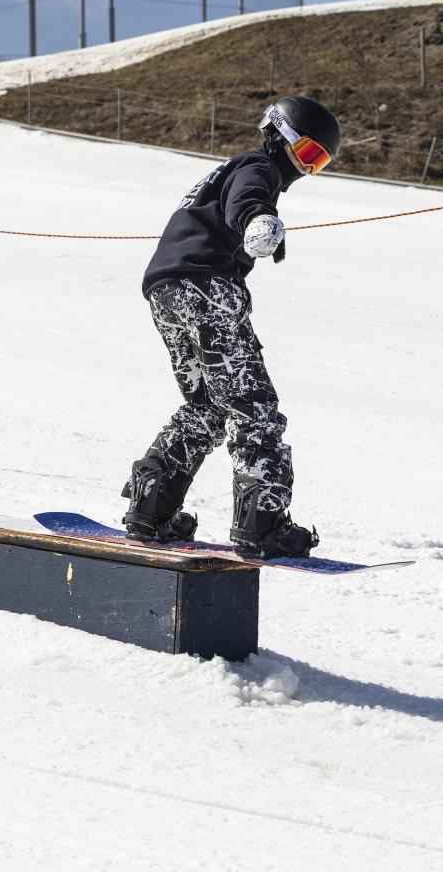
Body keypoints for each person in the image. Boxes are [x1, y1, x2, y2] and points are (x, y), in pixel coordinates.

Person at [122, 96, 341, 559]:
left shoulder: (227, 171)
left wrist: (257, 221)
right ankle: (263, 527)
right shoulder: (257, 166)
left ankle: (151, 510)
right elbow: (247, 199)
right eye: (306, 153)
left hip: (166, 292)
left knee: (206, 406)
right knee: (252, 406)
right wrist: (258, 219)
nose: (306, 169)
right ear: (280, 135)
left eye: (318, 163)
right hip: (206, 289)